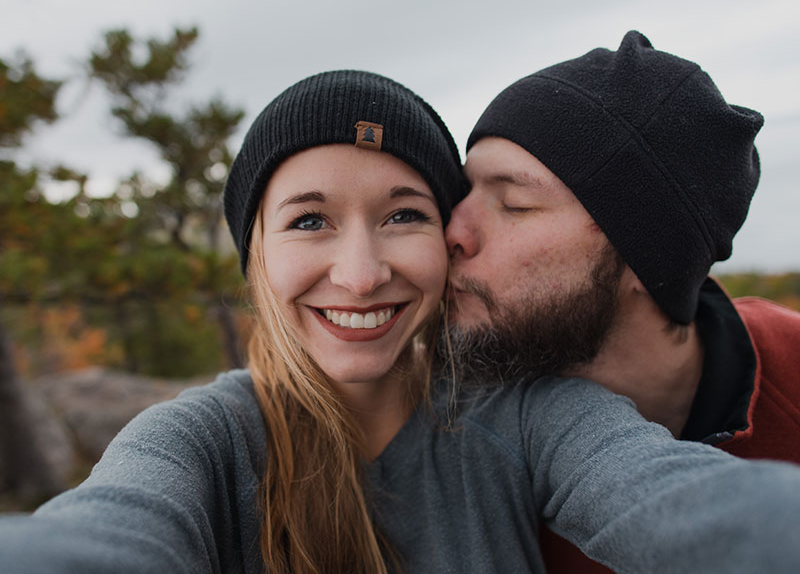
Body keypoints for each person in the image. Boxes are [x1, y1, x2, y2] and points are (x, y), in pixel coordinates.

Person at [2, 68, 800, 574]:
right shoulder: (198, 444)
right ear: (255, 255)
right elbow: (103, 536)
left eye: (406, 215)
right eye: (309, 221)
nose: (358, 272)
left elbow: (675, 503)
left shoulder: (529, 416)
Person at [447, 30, 800, 572]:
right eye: (462, 193)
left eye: (513, 203)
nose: (453, 232)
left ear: (645, 253)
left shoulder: (792, 370)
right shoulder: (442, 440)